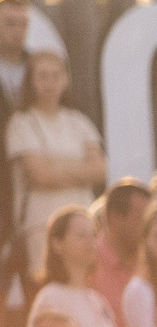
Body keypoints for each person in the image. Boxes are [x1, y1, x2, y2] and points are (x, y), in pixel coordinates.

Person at [5, 49, 102, 283]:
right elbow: (40, 176)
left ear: (65, 79)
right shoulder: (22, 123)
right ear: (31, 81)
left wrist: (54, 163)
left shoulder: (79, 122)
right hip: (42, 225)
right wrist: (79, 168)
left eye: (55, 76)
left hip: (83, 221)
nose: (50, 83)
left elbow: (99, 170)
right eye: (43, 76)